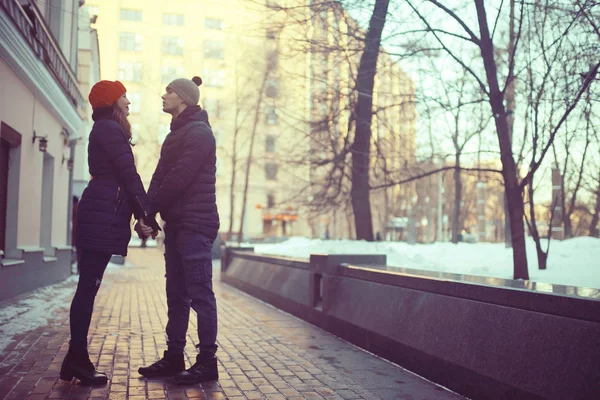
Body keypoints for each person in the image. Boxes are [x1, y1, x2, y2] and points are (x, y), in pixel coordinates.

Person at [60, 80, 159, 385]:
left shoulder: (107, 130)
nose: (129, 102)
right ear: (113, 102)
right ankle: (77, 359)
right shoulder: (109, 129)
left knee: (87, 289)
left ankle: (74, 359)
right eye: (124, 97)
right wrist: (147, 215)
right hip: (100, 217)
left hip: (100, 215)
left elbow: (124, 178)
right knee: (87, 289)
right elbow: (129, 175)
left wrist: (142, 215)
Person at [138, 76, 220, 385]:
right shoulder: (175, 135)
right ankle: (174, 357)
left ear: (184, 98)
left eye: (169, 91)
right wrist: (145, 213)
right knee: (176, 295)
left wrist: (151, 210)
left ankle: (207, 362)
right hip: (177, 225)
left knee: (200, 295)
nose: (163, 94)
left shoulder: (200, 134)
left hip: (196, 225)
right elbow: (160, 177)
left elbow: (179, 179)